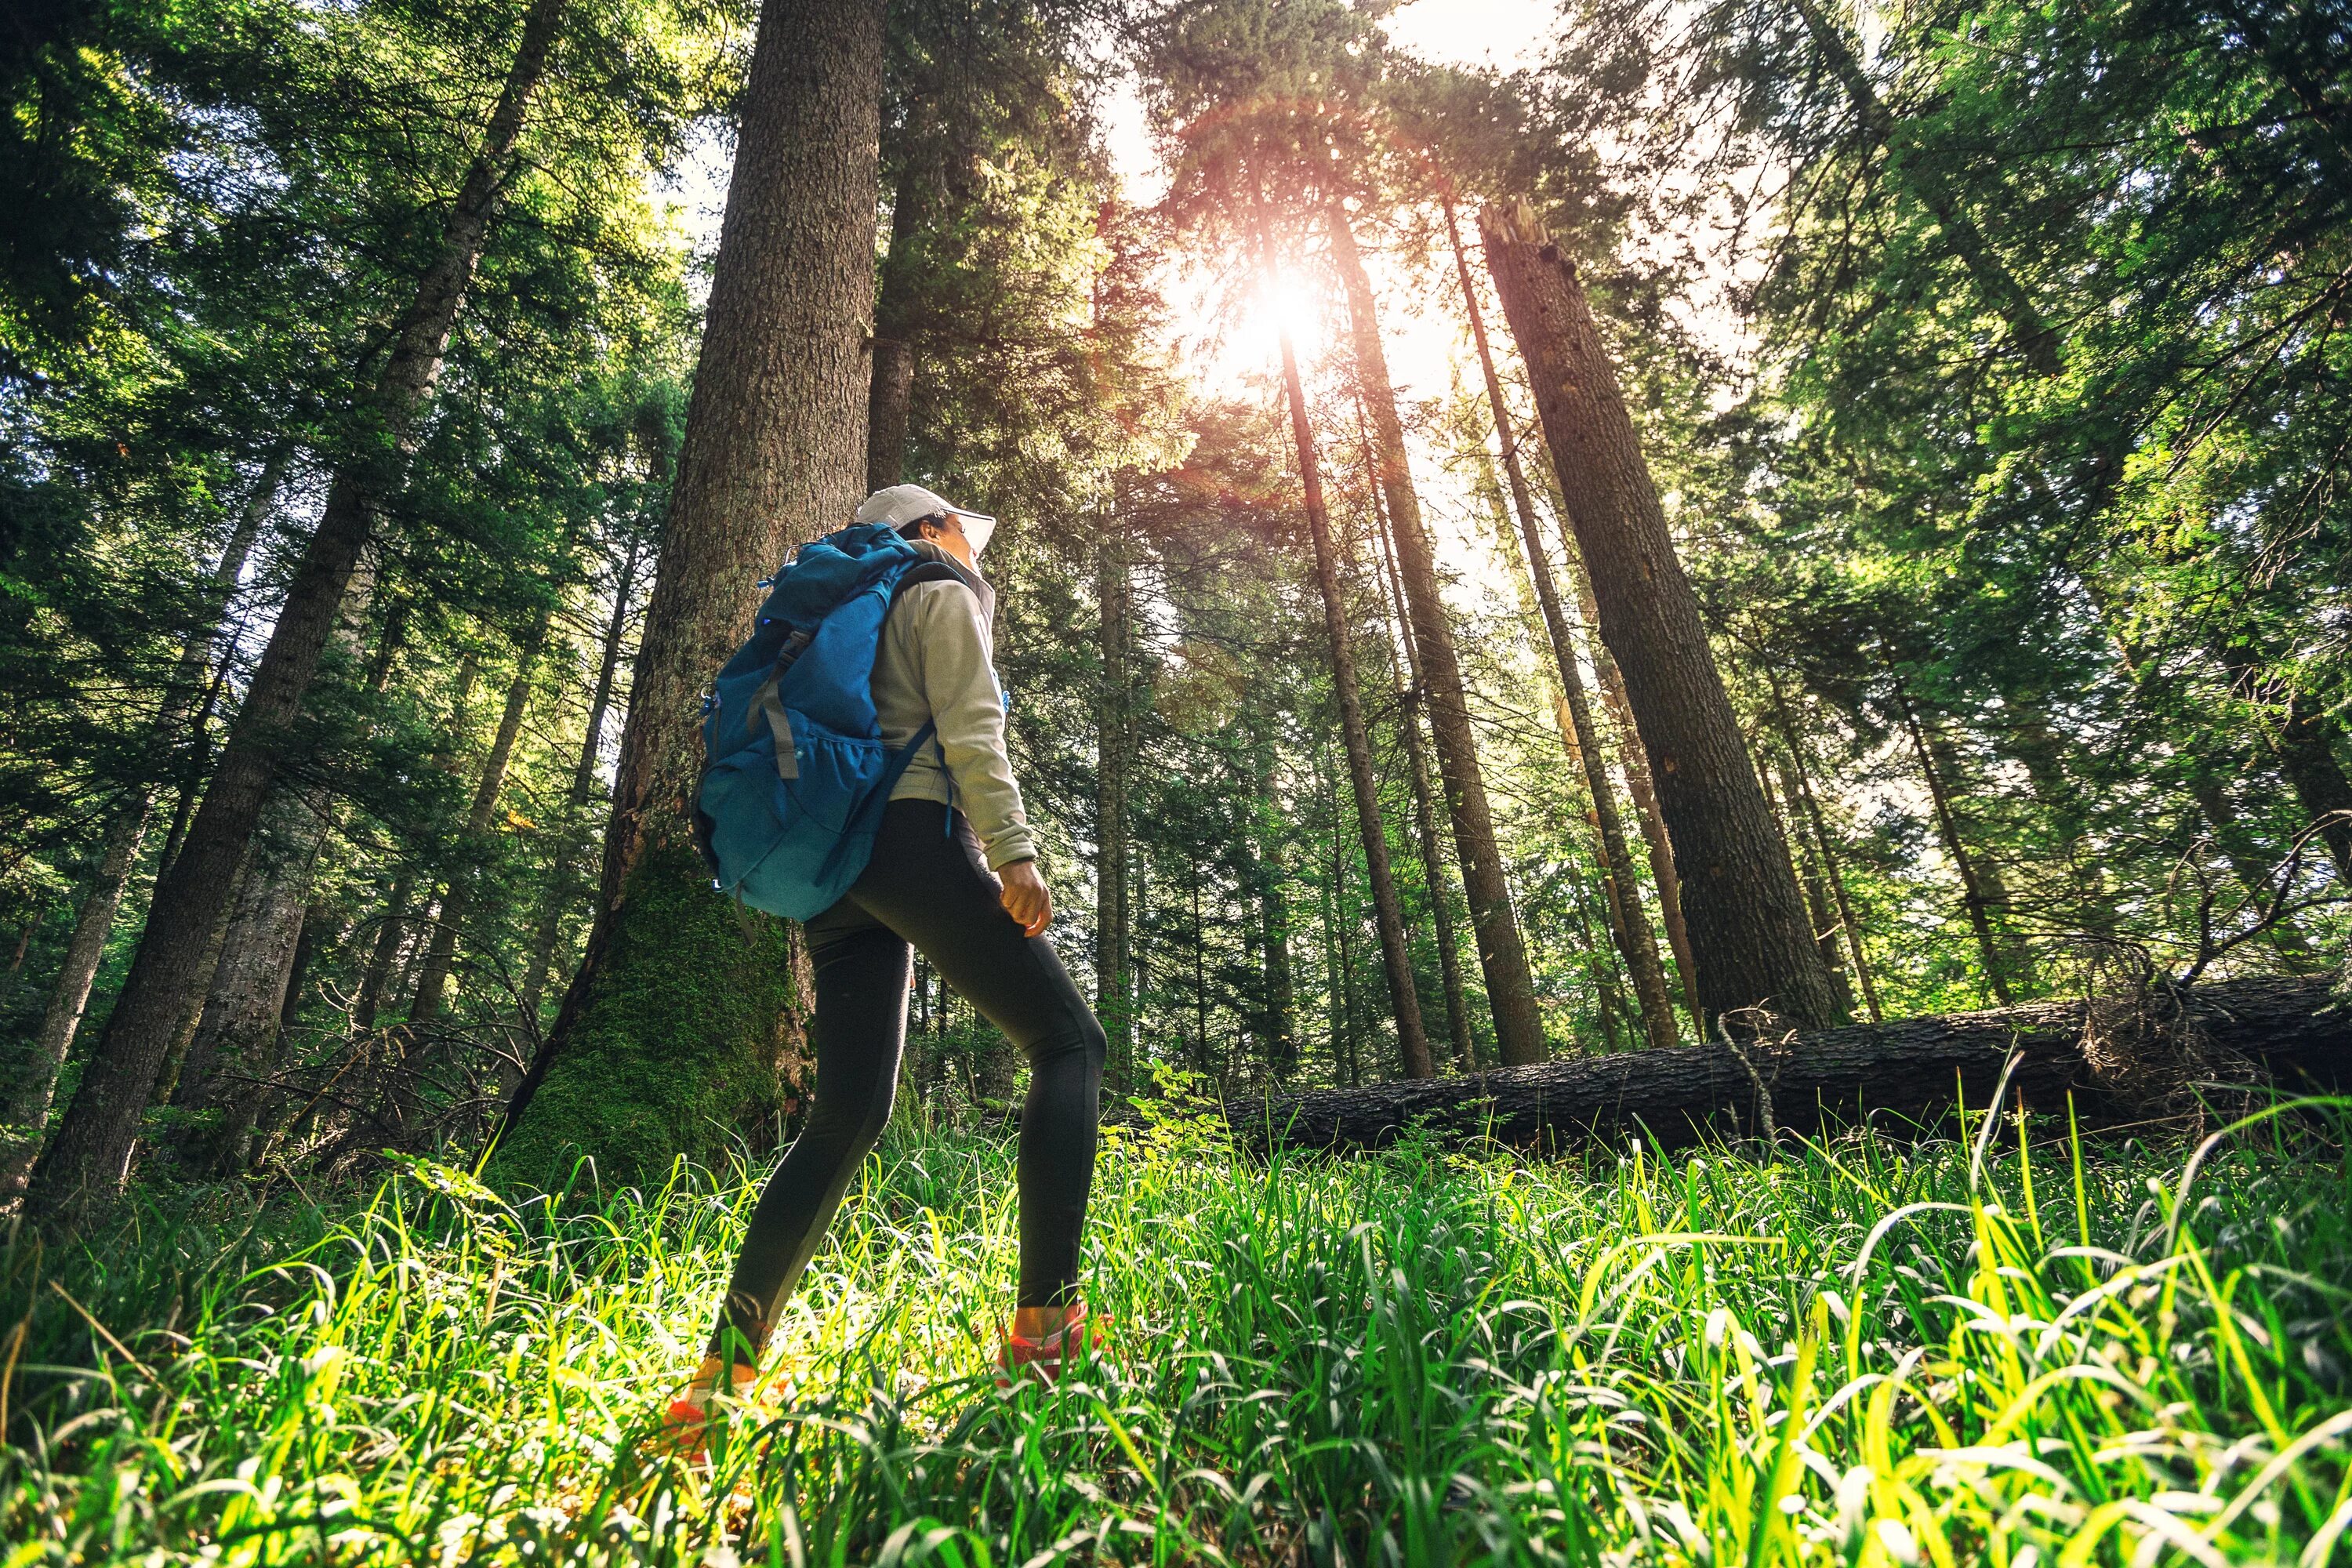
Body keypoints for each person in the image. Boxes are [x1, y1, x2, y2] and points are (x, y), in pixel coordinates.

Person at [664, 485, 1109, 1449]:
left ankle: (718, 1381)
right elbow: (971, 725)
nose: (972, 550)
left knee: (846, 1115)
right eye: (963, 532)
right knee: (1068, 1041)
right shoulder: (937, 584)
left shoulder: (841, 601)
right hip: (907, 834)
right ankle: (1048, 1332)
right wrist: (1013, 851)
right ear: (933, 528)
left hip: (834, 870)